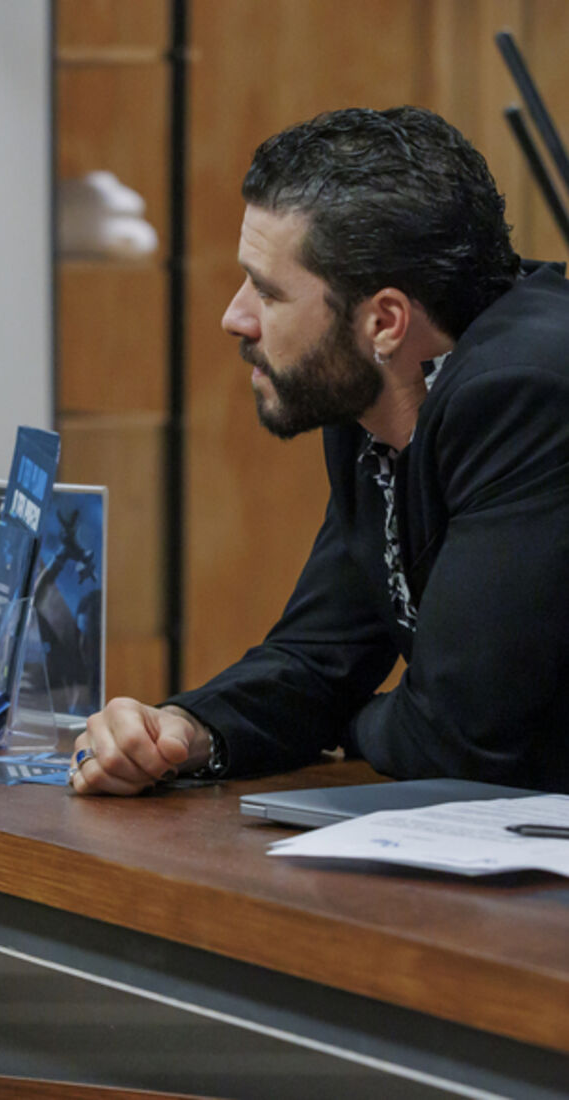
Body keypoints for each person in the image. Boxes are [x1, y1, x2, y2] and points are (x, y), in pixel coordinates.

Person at [70, 105, 569, 797]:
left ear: (384, 322)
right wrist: (185, 729)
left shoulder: (528, 389)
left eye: (268, 291)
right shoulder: (370, 392)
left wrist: (352, 721)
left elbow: (457, 737)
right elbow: (317, 658)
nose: (234, 316)